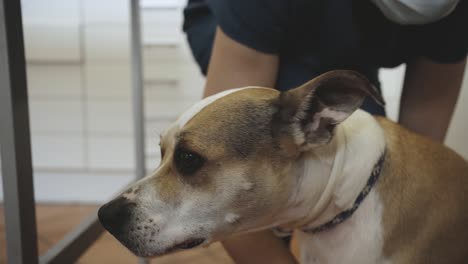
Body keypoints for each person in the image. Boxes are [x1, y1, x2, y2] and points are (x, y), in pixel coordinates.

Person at [182, 0, 467, 263]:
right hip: (239, 26)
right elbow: (223, 182)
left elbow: (418, 159)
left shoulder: (455, 12)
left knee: (368, 160)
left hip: (348, 44)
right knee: (293, 142)